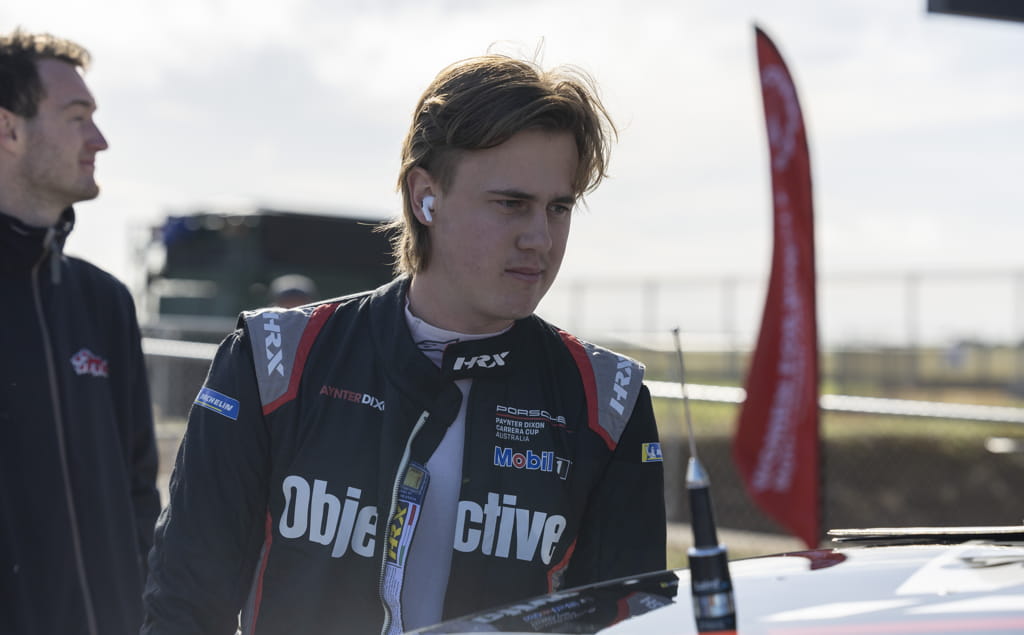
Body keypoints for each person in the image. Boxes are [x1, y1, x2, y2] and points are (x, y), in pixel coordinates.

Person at [143, 53, 666, 635]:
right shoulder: (274, 358)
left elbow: (629, 621)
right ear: (426, 196)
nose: (540, 237)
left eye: (559, 208)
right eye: (511, 203)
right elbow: (185, 602)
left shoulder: (607, 399)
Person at [0, 29, 161, 635]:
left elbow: (140, 493)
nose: (100, 140)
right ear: (9, 129)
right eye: (77, 117)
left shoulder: (104, 302)